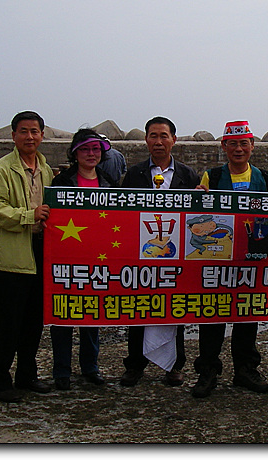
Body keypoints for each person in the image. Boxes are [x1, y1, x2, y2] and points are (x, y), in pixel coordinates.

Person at [191, 120, 268, 398]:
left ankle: (245, 369)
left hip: (251, 258)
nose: (238, 149)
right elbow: (198, 216)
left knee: (248, 315)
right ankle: (208, 370)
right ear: (223, 146)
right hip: (217, 257)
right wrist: (197, 198)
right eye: (232, 144)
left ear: (252, 146)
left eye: (243, 143)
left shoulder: (265, 178)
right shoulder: (212, 176)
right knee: (211, 315)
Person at [118, 116, 200, 387]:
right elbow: (123, 213)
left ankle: (174, 366)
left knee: (175, 308)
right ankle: (135, 365)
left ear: (173, 140)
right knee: (138, 308)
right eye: (153, 136)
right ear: (145, 140)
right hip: (142, 253)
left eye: (164, 136)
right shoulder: (135, 174)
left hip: (175, 255)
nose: (158, 141)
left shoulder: (188, 175)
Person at [0, 111, 54, 402]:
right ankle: (0, 381)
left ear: (42, 135)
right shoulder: (0, 170)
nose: (29, 137)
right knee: (7, 322)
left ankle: (27, 374)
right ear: (13, 135)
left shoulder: (46, 169)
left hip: (40, 250)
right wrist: (29, 215)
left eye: (34, 131)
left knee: (33, 320)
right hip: (12, 256)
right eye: (23, 131)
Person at [50, 129, 119, 390]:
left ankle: (90, 367)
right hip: (67, 257)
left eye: (96, 149)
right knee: (63, 316)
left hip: (98, 257)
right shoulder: (61, 181)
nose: (91, 154)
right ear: (75, 153)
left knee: (92, 315)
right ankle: (62, 370)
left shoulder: (109, 181)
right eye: (85, 149)